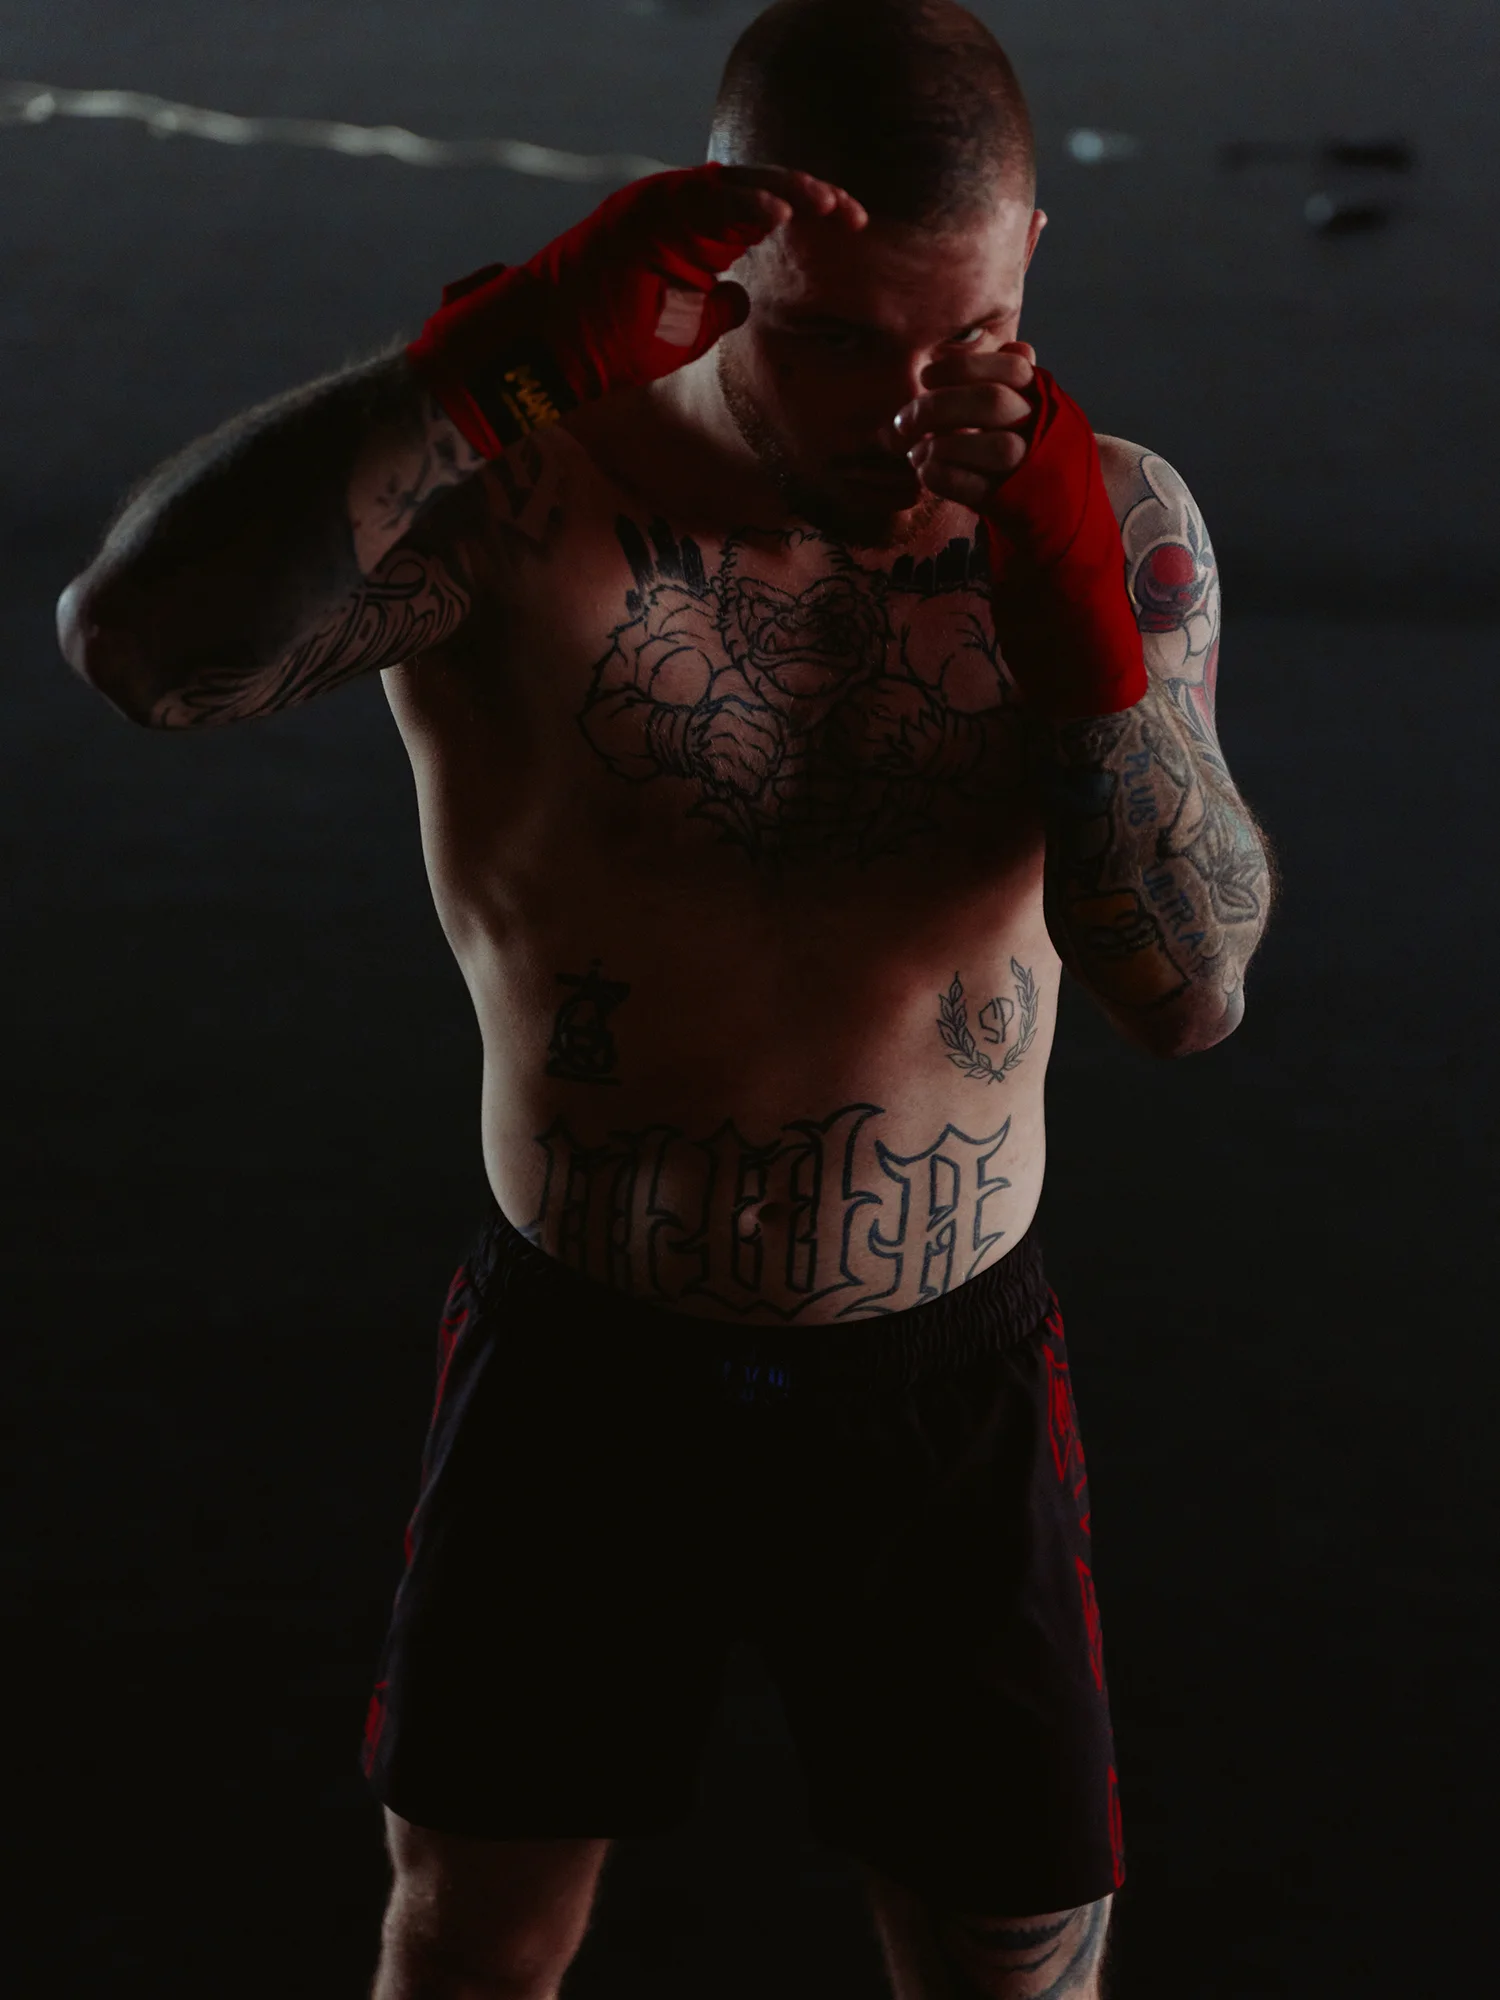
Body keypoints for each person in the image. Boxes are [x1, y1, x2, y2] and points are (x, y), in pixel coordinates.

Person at [56, 2, 1274, 1993]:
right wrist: (477, 374)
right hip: (586, 1363)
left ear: (1033, 256)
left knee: (1012, 1952)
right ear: (719, 265)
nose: (903, 415)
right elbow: (141, 652)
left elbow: (1189, 992)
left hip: (940, 1377)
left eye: (962, 338)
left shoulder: (1112, 516)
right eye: (832, 340)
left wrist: (1083, 640)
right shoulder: (522, 497)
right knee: (474, 1942)